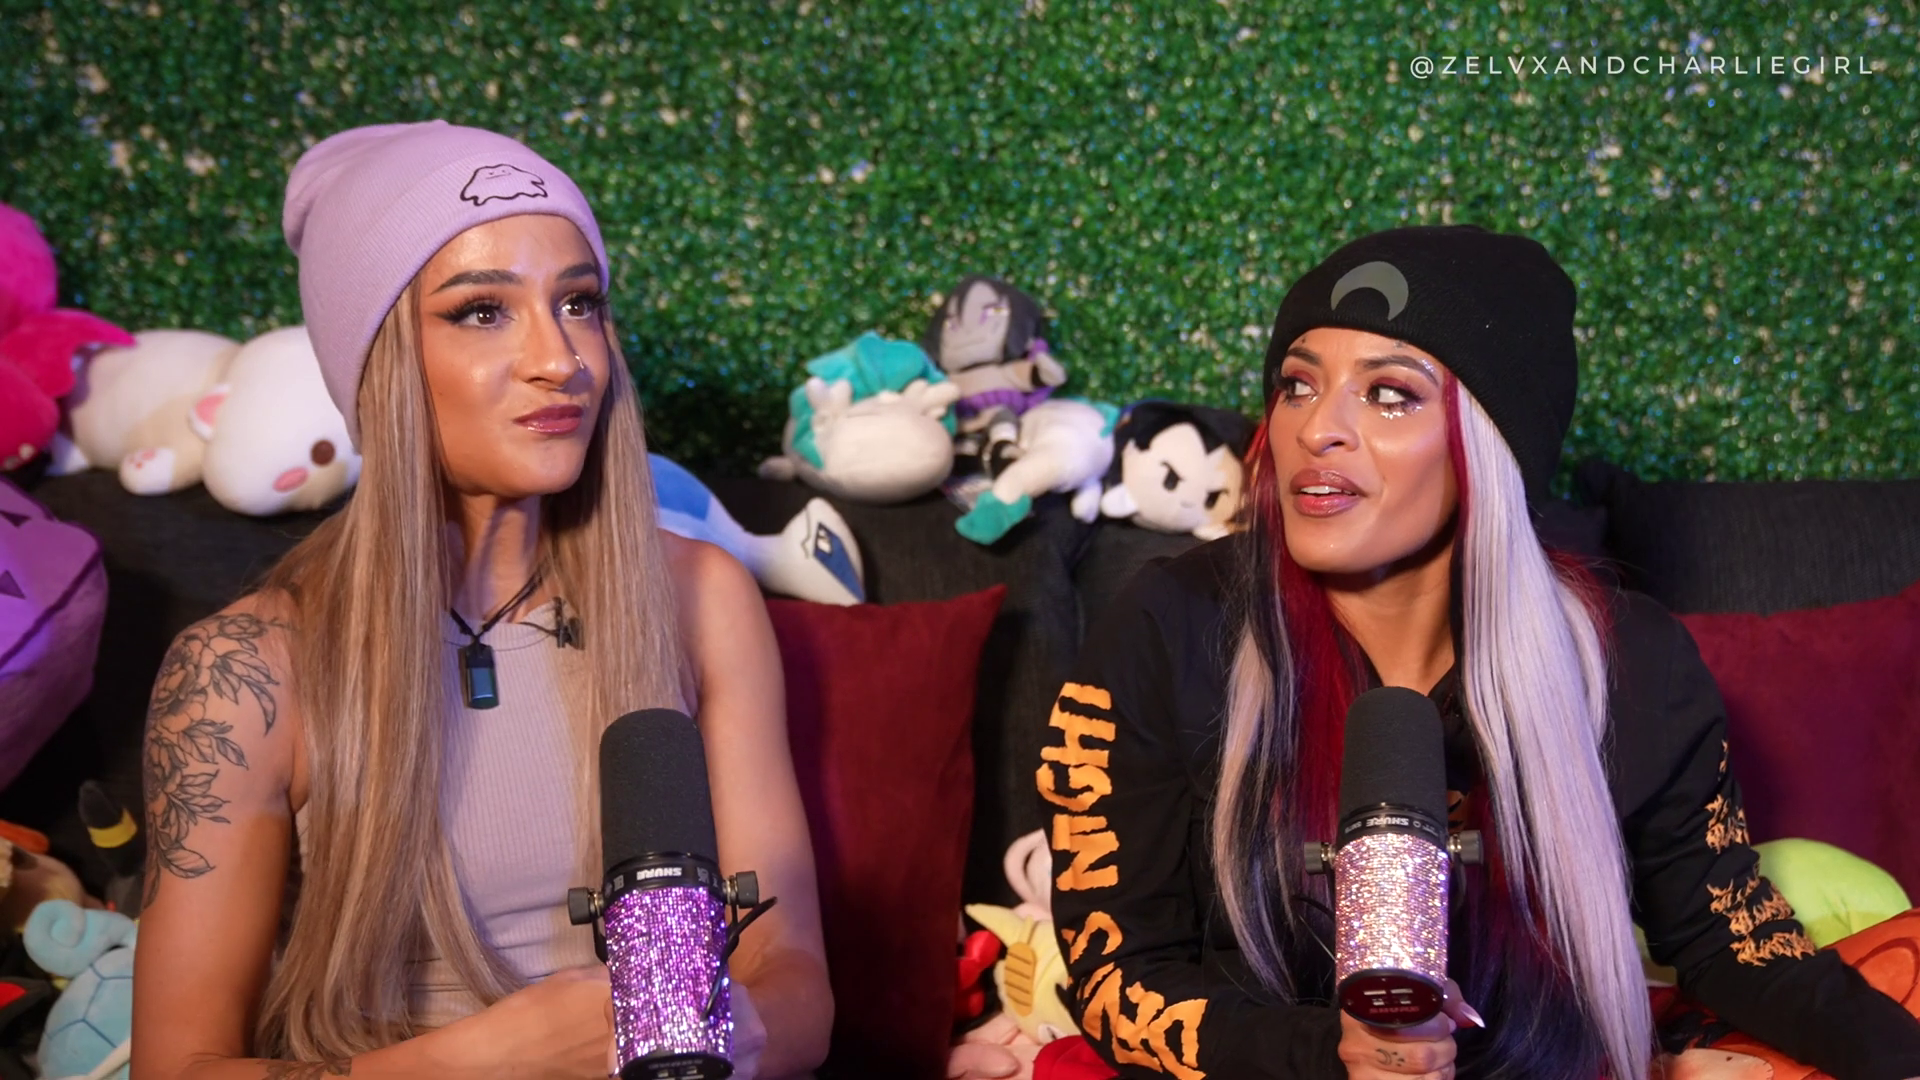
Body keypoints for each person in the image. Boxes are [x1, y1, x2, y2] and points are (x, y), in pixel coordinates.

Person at [1039, 225, 1920, 1080]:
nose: (1318, 429)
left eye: (1390, 393)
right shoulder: (1169, 627)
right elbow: (1116, 975)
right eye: (1299, 385)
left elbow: (1730, 941)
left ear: (1491, 444)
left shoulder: (1632, 662)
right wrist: (1328, 1055)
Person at [133, 121, 832, 1080]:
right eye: (482, 311)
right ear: (377, 364)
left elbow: (792, 980)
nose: (562, 357)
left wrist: (720, 1034)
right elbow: (176, 1068)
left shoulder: (701, 596)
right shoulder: (244, 672)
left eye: (578, 303)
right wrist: (490, 1060)